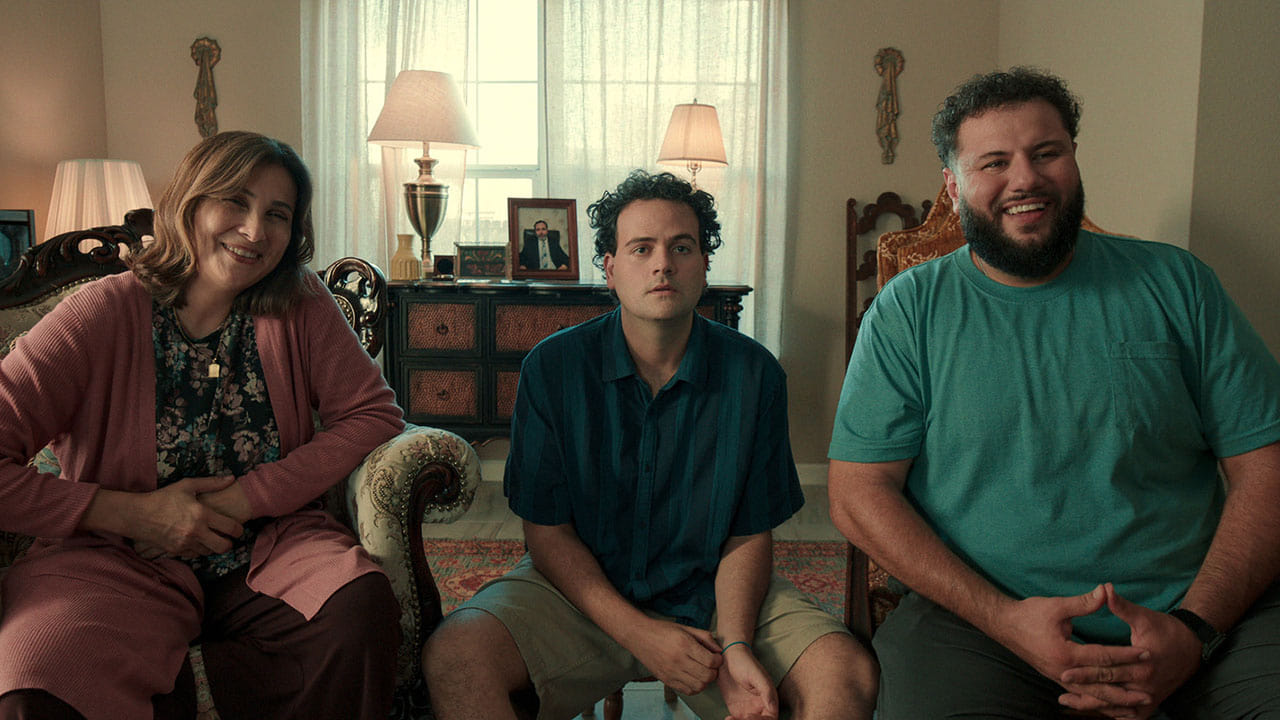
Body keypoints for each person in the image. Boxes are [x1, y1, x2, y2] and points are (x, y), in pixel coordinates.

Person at [828, 67, 1280, 719]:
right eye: (994, 162)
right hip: (982, 627)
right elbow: (858, 491)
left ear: (1073, 158)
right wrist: (1005, 620)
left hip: (1202, 617)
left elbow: (1265, 466)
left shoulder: (1179, 285)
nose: (1026, 179)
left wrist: (1195, 629)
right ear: (954, 186)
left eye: (1046, 153)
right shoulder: (909, 311)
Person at [424, 170, 876, 720]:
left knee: (844, 673)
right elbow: (547, 534)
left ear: (704, 265)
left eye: (681, 247)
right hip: (578, 597)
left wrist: (736, 644)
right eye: (642, 248)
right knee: (455, 657)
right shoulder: (554, 368)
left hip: (714, 596)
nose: (663, 264)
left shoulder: (754, 374)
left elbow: (748, 533)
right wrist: (641, 634)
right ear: (611, 269)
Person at [0, 131, 404, 719]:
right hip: (114, 557)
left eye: (278, 215)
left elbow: (373, 413)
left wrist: (246, 498)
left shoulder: (300, 301)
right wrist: (130, 514)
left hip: (272, 546)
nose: (255, 231)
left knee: (357, 612)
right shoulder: (98, 313)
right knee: (39, 679)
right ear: (189, 203)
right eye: (235, 201)